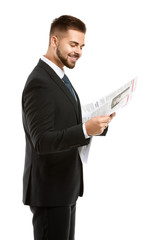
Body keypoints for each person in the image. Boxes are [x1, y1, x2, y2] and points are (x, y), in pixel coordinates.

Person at [22, 15, 115, 240]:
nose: (78, 52)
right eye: (73, 44)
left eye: (81, 46)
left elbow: (64, 120)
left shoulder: (59, 76)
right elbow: (42, 141)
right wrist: (84, 130)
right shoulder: (40, 82)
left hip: (65, 189)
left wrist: (97, 125)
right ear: (54, 41)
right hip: (50, 192)